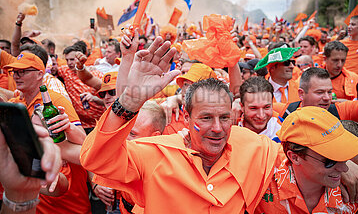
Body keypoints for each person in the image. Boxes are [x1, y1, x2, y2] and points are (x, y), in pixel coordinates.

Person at [80, 37, 281, 213]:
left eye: (224, 118)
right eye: (206, 118)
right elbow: (95, 159)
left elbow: (299, 162)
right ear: (186, 117)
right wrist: (129, 101)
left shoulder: (254, 146)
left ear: (235, 115)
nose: (218, 128)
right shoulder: (155, 154)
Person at [255, 106, 358, 213]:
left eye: (344, 156)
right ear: (295, 157)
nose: (345, 168)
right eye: (330, 160)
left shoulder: (355, 184)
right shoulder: (260, 184)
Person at [0, 110, 62, 214]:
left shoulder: (55, 159)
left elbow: (60, 188)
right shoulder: (14, 157)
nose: (32, 132)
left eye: (38, 126)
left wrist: (47, 174)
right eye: (31, 125)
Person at [276, 67, 358, 123]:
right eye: (320, 92)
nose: (327, 98)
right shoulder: (285, 112)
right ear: (301, 94)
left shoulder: (338, 111)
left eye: (329, 92)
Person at [53, 45, 105, 133]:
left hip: (100, 124)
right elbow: (50, 68)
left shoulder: (96, 75)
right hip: (80, 125)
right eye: (67, 60)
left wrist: (94, 98)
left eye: (72, 59)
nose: (69, 63)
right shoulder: (65, 71)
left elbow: (111, 100)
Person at [238, 76, 281, 141]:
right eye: (253, 108)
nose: (261, 116)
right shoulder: (229, 130)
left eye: (266, 107)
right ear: (242, 107)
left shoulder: (284, 133)